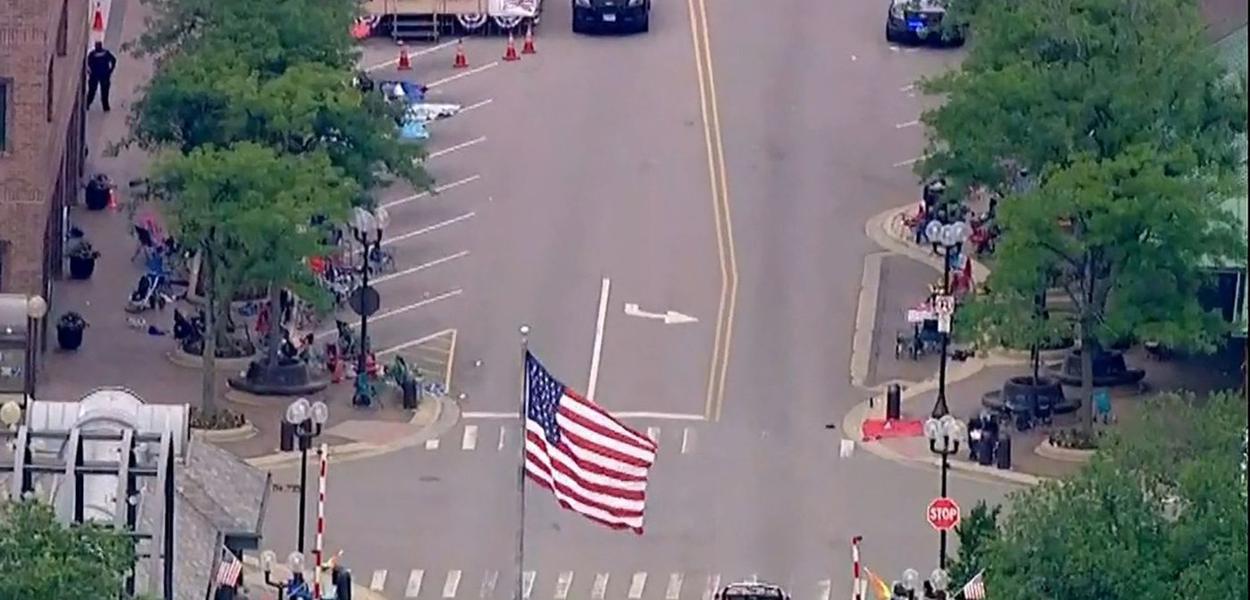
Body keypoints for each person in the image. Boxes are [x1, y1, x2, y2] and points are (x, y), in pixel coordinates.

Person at [86, 42, 117, 111]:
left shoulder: (92, 54)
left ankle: (87, 104)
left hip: (95, 75)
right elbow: (113, 60)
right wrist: (110, 70)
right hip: (104, 75)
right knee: (104, 91)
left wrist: (89, 71)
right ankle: (105, 106)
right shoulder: (106, 53)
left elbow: (87, 63)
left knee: (92, 91)